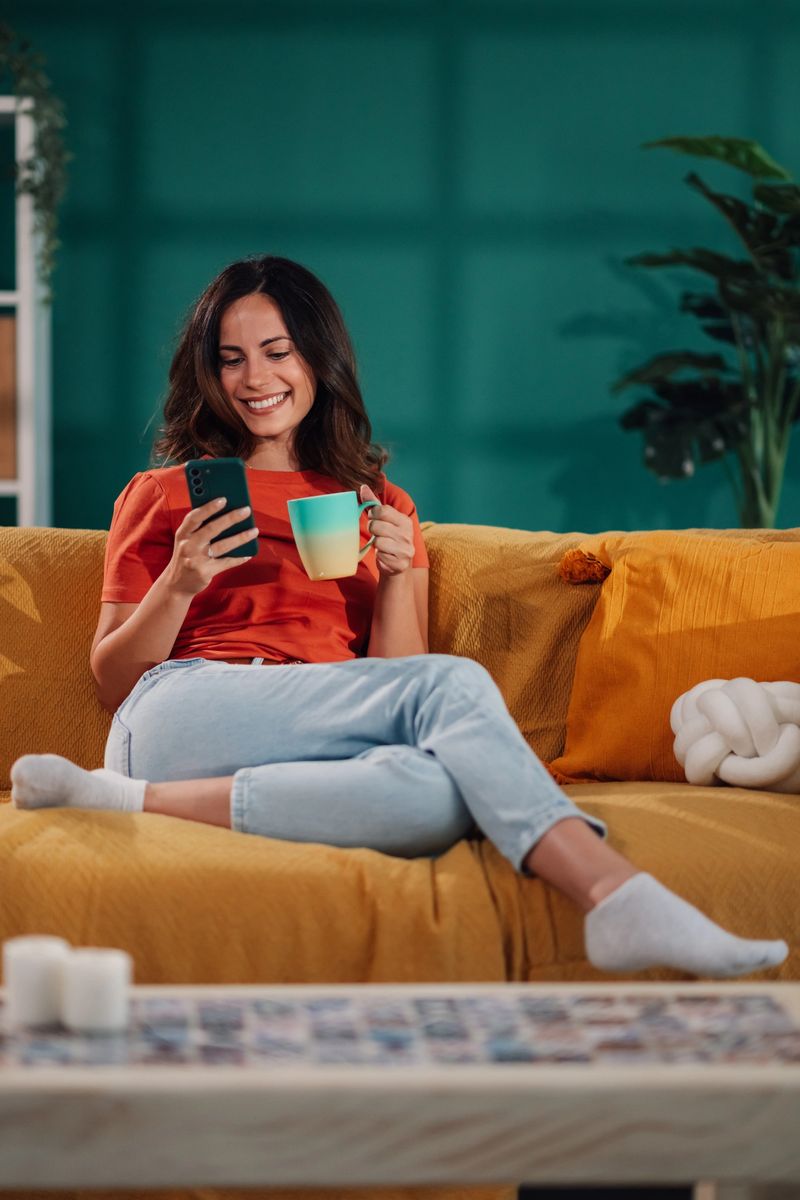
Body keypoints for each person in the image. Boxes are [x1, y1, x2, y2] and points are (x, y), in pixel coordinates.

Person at [11, 254, 788, 980]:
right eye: (231, 357)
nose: (256, 378)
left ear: (319, 358)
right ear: (207, 373)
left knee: (443, 800)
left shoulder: (385, 506)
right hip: (181, 711)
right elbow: (113, 679)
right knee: (450, 688)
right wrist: (178, 584)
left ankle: (118, 799)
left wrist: (391, 578)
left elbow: (395, 681)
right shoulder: (162, 495)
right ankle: (615, 893)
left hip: (320, 734)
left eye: (278, 352)